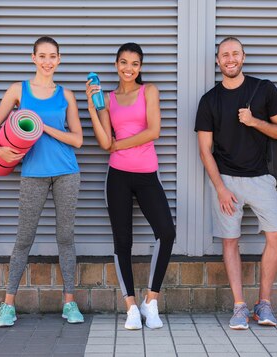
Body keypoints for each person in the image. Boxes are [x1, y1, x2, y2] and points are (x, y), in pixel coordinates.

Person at [0, 36, 84, 327]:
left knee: (65, 238)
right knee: (23, 239)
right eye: (42, 56)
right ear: (33, 58)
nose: (47, 61)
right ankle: (8, 306)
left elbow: (77, 140)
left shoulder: (65, 95)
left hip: (66, 171)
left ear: (59, 59)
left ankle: (69, 303)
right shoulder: (19, 90)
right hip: (32, 173)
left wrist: (47, 129)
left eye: (52, 56)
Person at [195, 37, 277, 330]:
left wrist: (255, 122)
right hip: (226, 181)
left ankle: (264, 304)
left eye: (235, 53)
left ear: (243, 57)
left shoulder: (264, 89)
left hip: (261, 177)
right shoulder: (209, 100)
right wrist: (221, 188)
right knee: (230, 240)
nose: (230, 59)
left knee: (276, 235)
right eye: (225, 55)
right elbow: (204, 150)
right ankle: (239, 306)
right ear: (218, 61)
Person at [86, 43, 175, 330]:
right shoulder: (107, 99)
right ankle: (131, 307)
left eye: (134, 63)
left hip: (147, 174)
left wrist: (118, 144)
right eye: (123, 62)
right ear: (116, 64)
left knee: (166, 232)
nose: (128, 68)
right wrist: (91, 106)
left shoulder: (149, 91)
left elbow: (154, 131)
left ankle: (151, 301)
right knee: (122, 242)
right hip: (118, 177)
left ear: (140, 67)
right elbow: (103, 142)